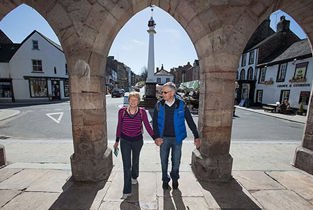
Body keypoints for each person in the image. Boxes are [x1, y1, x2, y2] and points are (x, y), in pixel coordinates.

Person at [152, 82, 201, 190]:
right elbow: (154, 122)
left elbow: (190, 121)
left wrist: (196, 136)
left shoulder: (181, 105)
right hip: (163, 139)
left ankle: (175, 178)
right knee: (163, 161)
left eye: (165, 92)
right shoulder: (159, 105)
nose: (162, 94)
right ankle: (165, 179)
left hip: (177, 139)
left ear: (172, 93)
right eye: (162, 92)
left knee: (176, 161)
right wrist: (156, 137)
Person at [114, 91, 155, 199]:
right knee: (126, 165)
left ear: (138, 101)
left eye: (135, 99)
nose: (133, 101)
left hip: (137, 141)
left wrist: (155, 138)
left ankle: (134, 176)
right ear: (128, 101)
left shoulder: (142, 112)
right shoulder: (122, 111)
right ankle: (127, 190)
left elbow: (147, 126)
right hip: (125, 141)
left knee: (135, 160)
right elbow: (119, 126)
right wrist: (117, 141)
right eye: (131, 99)